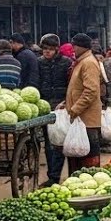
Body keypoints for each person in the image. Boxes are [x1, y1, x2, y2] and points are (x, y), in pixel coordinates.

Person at [35, 35, 72, 185]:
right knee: (49, 144)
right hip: (45, 105)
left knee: (60, 142)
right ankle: (52, 176)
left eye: (50, 49)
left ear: (56, 49)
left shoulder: (66, 63)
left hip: (61, 106)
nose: (47, 52)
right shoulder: (39, 63)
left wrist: (65, 102)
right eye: (44, 49)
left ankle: (56, 176)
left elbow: (70, 84)